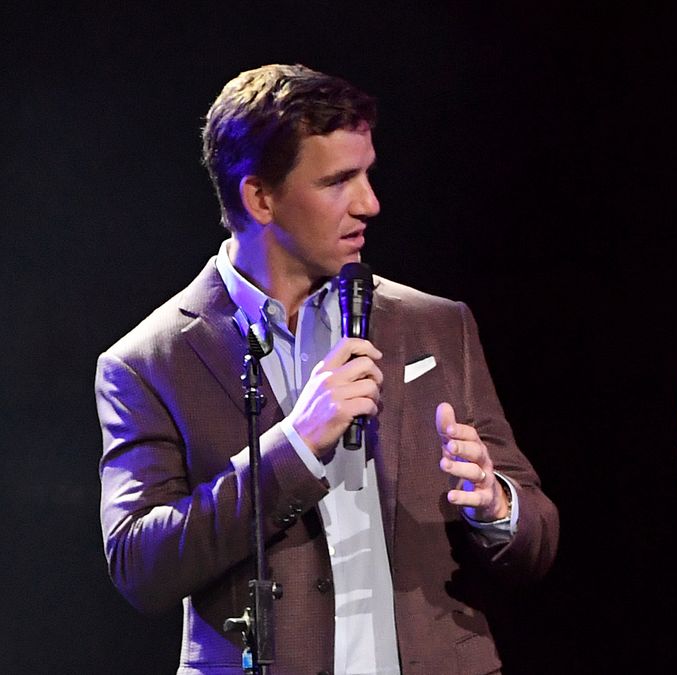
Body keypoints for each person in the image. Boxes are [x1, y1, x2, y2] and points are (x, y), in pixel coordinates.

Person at [96, 64, 559, 675]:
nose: (370, 203)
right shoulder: (149, 362)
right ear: (260, 197)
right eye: (339, 180)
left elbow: (538, 540)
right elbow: (140, 567)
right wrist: (295, 445)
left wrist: (495, 505)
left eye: (366, 173)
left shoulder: (436, 325)